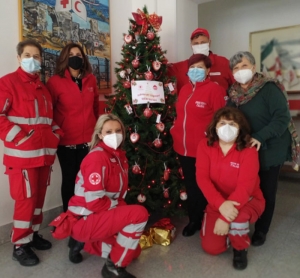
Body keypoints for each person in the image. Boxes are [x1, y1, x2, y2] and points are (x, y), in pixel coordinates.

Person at [54, 114, 148, 278]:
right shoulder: (97, 158)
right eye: (109, 131)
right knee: (139, 214)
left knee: (134, 251)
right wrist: (120, 209)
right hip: (85, 217)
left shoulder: (117, 156)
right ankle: (113, 267)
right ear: (100, 135)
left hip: (97, 214)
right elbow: (95, 202)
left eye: (118, 130)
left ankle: (81, 242)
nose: (115, 135)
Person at [0, 39, 63, 266]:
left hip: (44, 156)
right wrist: (21, 137)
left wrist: (56, 133)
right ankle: (20, 245)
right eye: (28, 55)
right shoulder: (7, 83)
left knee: (37, 200)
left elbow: (47, 120)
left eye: (36, 56)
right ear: (19, 58)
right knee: (25, 202)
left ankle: (32, 234)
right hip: (23, 158)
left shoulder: (43, 88)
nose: (32, 60)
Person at [227, 51, 299, 246]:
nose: (240, 71)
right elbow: (227, 116)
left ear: (252, 66)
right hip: (246, 149)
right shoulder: (233, 93)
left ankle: (261, 230)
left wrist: (259, 136)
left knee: (266, 190)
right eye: (236, 68)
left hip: (270, 147)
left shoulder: (268, 88)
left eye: (243, 66)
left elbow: (282, 118)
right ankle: (244, 220)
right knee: (248, 187)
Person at [196, 107, 265, 270]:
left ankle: (240, 249)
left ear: (240, 128)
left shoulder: (249, 150)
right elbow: (202, 179)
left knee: (238, 218)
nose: (227, 127)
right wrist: (220, 205)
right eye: (222, 123)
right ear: (215, 126)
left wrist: (225, 218)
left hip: (247, 200)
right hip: (217, 201)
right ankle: (229, 233)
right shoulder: (205, 145)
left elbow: (245, 188)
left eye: (232, 123)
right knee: (212, 249)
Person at [170, 53, 227, 237]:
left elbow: (221, 120)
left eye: (200, 67)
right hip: (182, 148)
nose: (195, 71)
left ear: (208, 70)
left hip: (203, 149)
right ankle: (194, 218)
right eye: (192, 67)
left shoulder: (215, 90)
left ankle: (199, 220)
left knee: (202, 186)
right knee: (190, 184)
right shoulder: (185, 89)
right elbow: (181, 116)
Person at [46, 43, 99, 212]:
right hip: (66, 141)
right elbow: (50, 111)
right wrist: (58, 131)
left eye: (79, 54)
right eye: (71, 54)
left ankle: (85, 213)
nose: (76, 57)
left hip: (88, 141)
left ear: (83, 58)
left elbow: (95, 107)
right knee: (69, 179)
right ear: (64, 58)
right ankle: (68, 217)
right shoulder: (55, 82)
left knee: (86, 179)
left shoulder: (91, 79)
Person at [168, 27, 234, 93]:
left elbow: (238, 85)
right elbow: (162, 69)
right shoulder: (181, 67)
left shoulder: (223, 63)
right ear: (191, 45)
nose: (199, 46)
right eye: (196, 43)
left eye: (203, 43)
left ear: (209, 43)